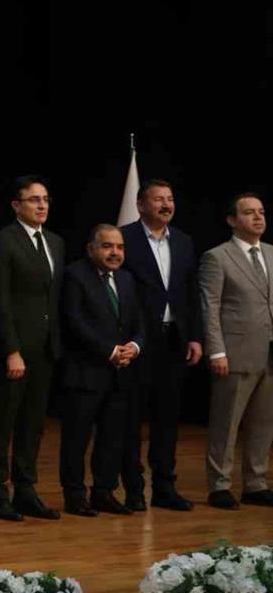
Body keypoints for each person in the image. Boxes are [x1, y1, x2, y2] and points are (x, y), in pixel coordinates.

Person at [0, 175, 65, 521]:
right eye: (34, 200)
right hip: (15, 349)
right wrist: (10, 350)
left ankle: (26, 489)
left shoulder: (55, 242)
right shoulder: (3, 241)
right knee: (3, 422)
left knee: (33, 423)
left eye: (45, 199)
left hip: (46, 348)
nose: (42, 205)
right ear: (17, 205)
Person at [118, 179, 203, 511]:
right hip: (137, 341)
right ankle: (134, 489)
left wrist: (195, 336)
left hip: (174, 341)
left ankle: (165, 487)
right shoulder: (124, 239)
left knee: (167, 419)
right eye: (158, 199)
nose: (166, 205)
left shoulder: (183, 241)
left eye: (170, 199)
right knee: (131, 419)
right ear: (140, 205)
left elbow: (191, 294)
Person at [59, 225, 145, 517]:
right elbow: (74, 321)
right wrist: (110, 351)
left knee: (112, 438)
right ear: (91, 249)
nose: (115, 253)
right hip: (85, 372)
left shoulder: (127, 278)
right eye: (107, 246)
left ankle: (103, 492)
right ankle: (74, 495)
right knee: (76, 439)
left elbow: (139, 322)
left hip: (120, 374)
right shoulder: (75, 275)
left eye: (119, 247)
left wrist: (134, 346)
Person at [198, 192, 273, 510]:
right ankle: (219, 485)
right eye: (249, 212)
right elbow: (210, 307)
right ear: (232, 220)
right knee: (226, 423)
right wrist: (216, 351)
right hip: (235, 352)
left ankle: (256, 483)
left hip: (269, 353)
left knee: (264, 423)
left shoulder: (271, 253)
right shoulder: (217, 257)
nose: (258, 217)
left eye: (261, 212)